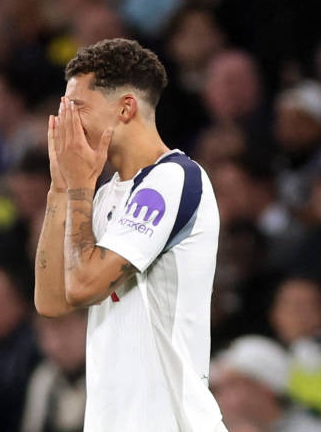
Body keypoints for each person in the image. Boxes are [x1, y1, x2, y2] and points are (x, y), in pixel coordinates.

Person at [34, 38, 225, 430]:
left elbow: (84, 286)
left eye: (78, 107)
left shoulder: (172, 180)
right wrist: (60, 188)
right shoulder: (104, 194)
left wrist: (78, 188)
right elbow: (51, 301)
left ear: (125, 108)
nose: (66, 123)